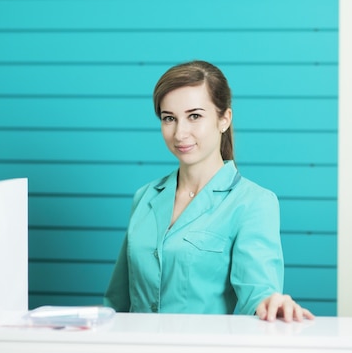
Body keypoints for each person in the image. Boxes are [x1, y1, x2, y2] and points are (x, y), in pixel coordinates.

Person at [104, 60, 314, 322]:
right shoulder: (145, 197)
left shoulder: (253, 203)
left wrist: (272, 302)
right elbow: (116, 302)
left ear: (224, 119)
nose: (180, 133)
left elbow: (258, 293)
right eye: (169, 118)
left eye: (195, 116)